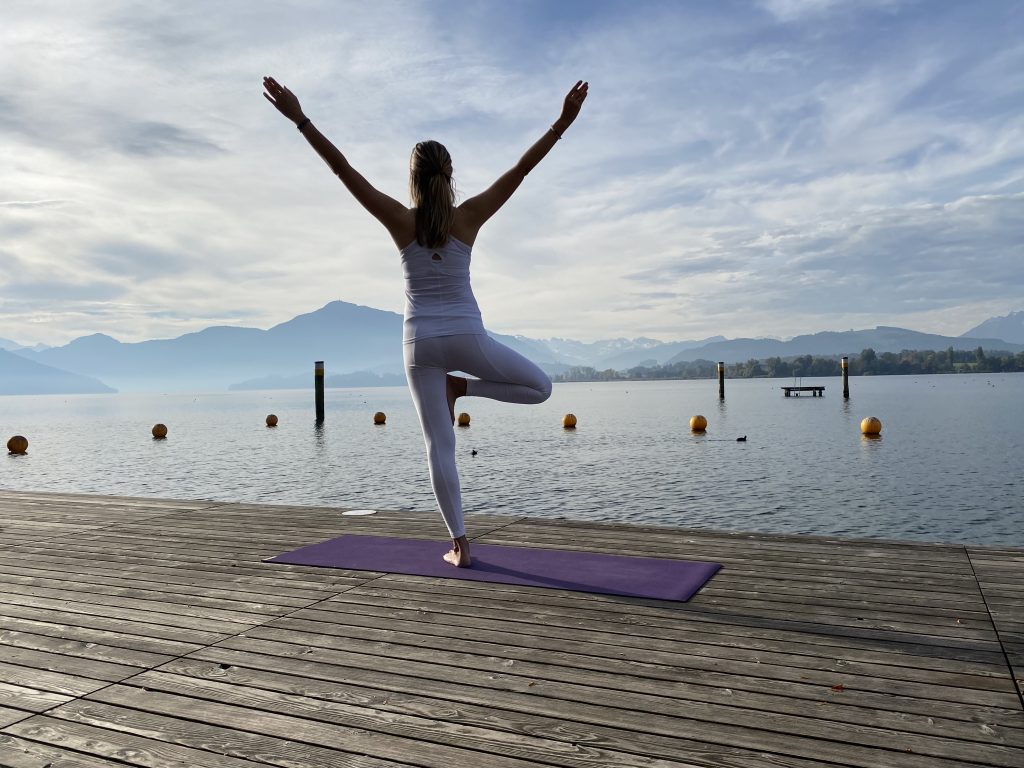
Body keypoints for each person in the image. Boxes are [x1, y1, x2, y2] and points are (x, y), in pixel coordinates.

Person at [263, 75, 588, 567]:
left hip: (418, 345)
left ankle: (459, 544)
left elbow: (342, 170)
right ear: (450, 174)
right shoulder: (469, 217)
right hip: (466, 339)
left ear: (412, 178)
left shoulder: (399, 220)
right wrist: (562, 123)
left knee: (440, 446)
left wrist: (301, 119)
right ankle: (465, 388)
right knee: (540, 388)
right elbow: (522, 170)